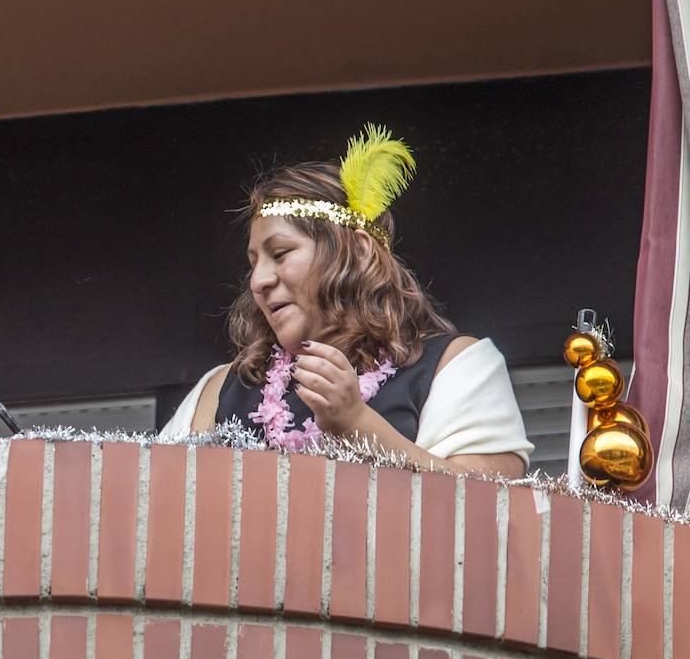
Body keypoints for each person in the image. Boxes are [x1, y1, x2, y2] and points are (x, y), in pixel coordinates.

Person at [161, 125, 531, 477]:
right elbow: (159, 505)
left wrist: (356, 423)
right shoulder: (221, 389)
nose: (258, 281)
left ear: (359, 251)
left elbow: (492, 507)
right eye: (253, 262)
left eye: (281, 253)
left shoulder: (453, 367)